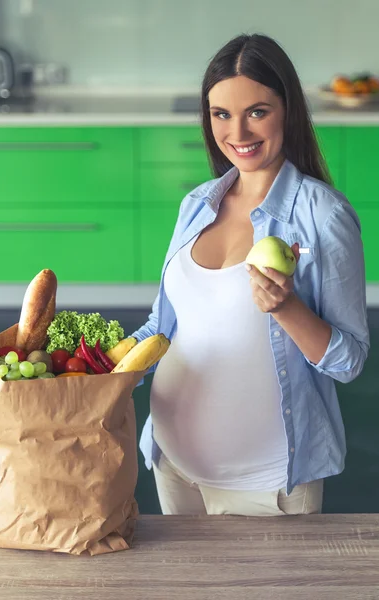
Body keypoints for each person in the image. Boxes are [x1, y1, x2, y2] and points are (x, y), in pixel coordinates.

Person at [131, 33, 370, 517]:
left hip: (267, 485)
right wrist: (87, 370)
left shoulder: (323, 217)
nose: (237, 131)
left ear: (288, 111)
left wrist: (287, 306)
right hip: (171, 463)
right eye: (221, 114)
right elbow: (162, 327)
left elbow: (349, 361)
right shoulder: (198, 204)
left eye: (257, 111)